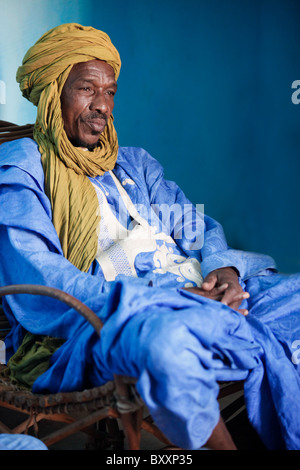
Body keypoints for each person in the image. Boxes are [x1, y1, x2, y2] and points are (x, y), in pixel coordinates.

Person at [0, 23, 299, 450]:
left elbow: (195, 229)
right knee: (166, 342)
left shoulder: (134, 164)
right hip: (110, 318)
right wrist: (173, 299)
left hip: (201, 289)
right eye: (88, 89)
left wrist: (226, 273)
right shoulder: (22, 170)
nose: (103, 106)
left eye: (110, 92)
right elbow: (41, 280)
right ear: (53, 93)